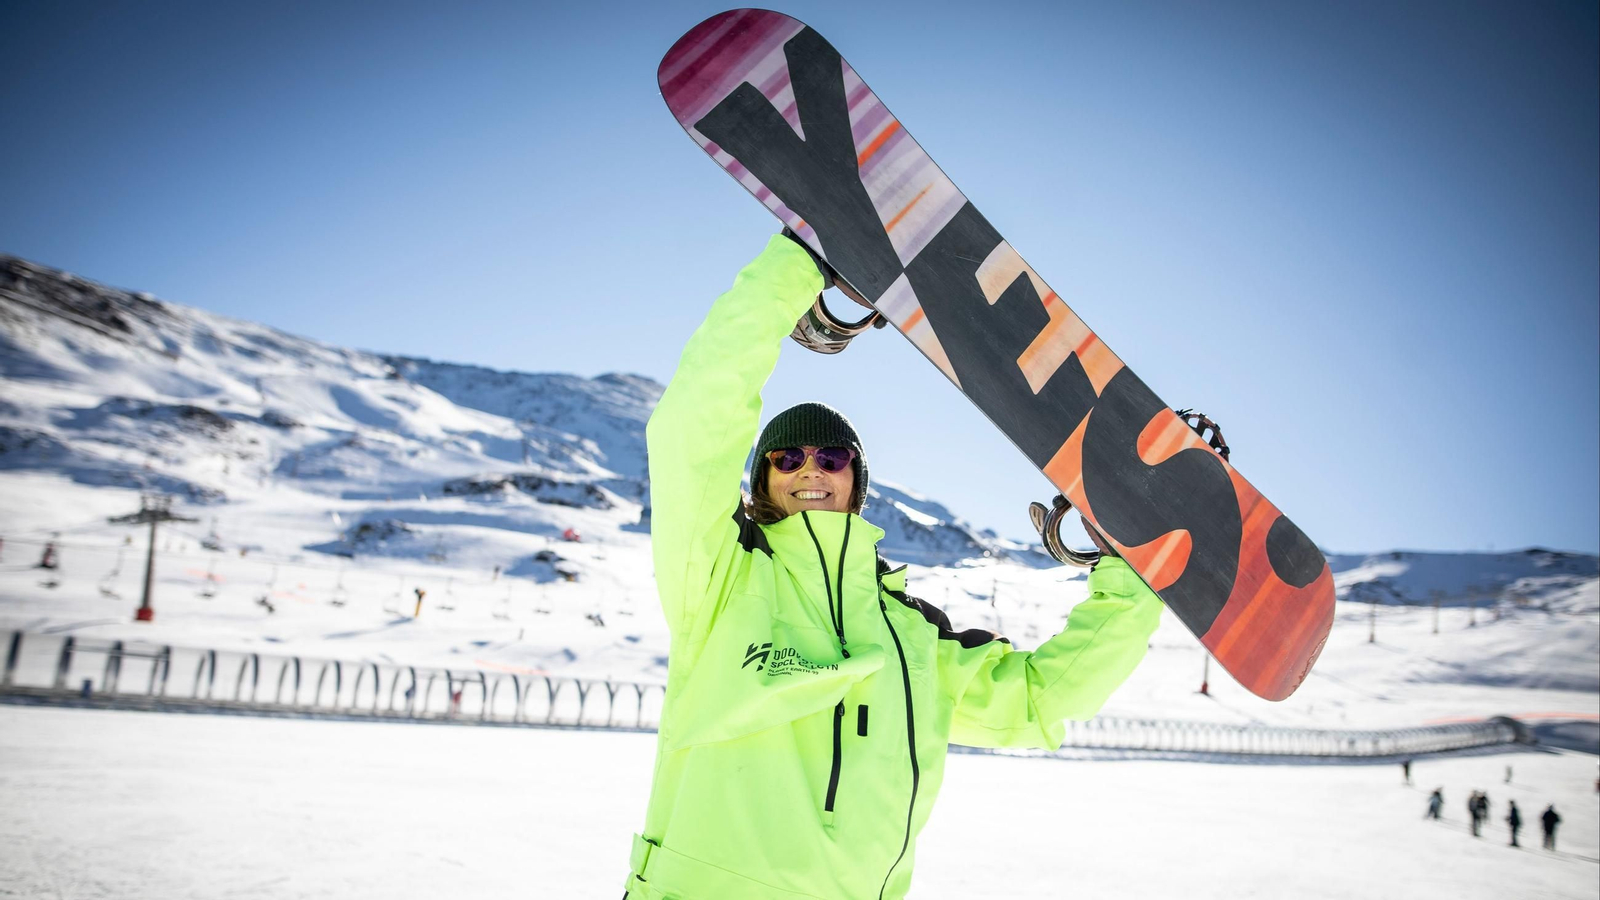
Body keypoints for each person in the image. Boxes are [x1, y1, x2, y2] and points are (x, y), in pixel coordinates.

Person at [621, 233, 1163, 900]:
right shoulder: (721, 577)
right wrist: (796, 272)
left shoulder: (913, 636)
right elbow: (692, 427)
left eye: (832, 457)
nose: (810, 469)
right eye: (786, 460)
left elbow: (1042, 699)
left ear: (858, 479)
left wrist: (1131, 575)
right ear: (761, 480)